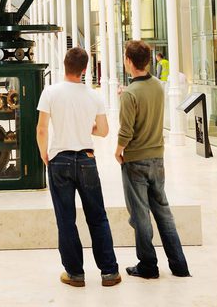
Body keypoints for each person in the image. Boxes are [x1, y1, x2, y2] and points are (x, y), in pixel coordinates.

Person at [37, 47, 121, 288]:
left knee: (66, 219)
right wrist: (88, 128)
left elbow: (42, 128)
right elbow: (104, 131)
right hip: (86, 159)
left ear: (64, 65)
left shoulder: (50, 92)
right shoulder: (94, 96)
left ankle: (75, 274)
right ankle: (109, 272)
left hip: (59, 159)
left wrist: (44, 152)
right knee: (97, 216)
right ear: (85, 70)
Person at [115, 39, 190, 279]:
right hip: (157, 158)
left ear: (128, 60)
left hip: (135, 160)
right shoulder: (158, 86)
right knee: (163, 211)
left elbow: (126, 131)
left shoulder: (130, 94)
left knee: (140, 215)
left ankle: (148, 265)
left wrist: (118, 150)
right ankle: (179, 264)